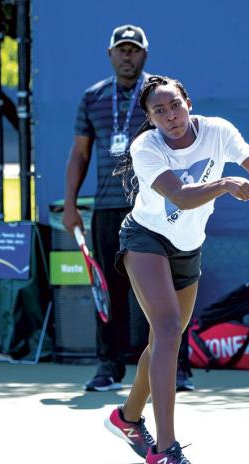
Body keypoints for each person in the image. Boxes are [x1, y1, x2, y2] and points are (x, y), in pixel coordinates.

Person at [104, 75, 249, 464]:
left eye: (175, 106)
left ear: (188, 102)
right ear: (150, 118)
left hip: (188, 247)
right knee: (167, 332)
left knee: (165, 339)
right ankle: (165, 451)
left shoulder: (218, 131)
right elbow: (180, 196)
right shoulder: (146, 147)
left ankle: (128, 418)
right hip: (145, 238)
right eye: (159, 112)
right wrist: (228, 184)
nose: (170, 117)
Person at [62, 25, 195, 392]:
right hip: (107, 209)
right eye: (121, 50)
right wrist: (70, 205)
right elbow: (79, 154)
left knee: (167, 290)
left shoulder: (162, 97)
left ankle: (177, 367)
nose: (127, 56)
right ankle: (109, 367)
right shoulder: (93, 98)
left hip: (154, 208)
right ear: (110, 55)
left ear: (145, 55)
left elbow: (183, 141)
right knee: (110, 287)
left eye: (134, 50)